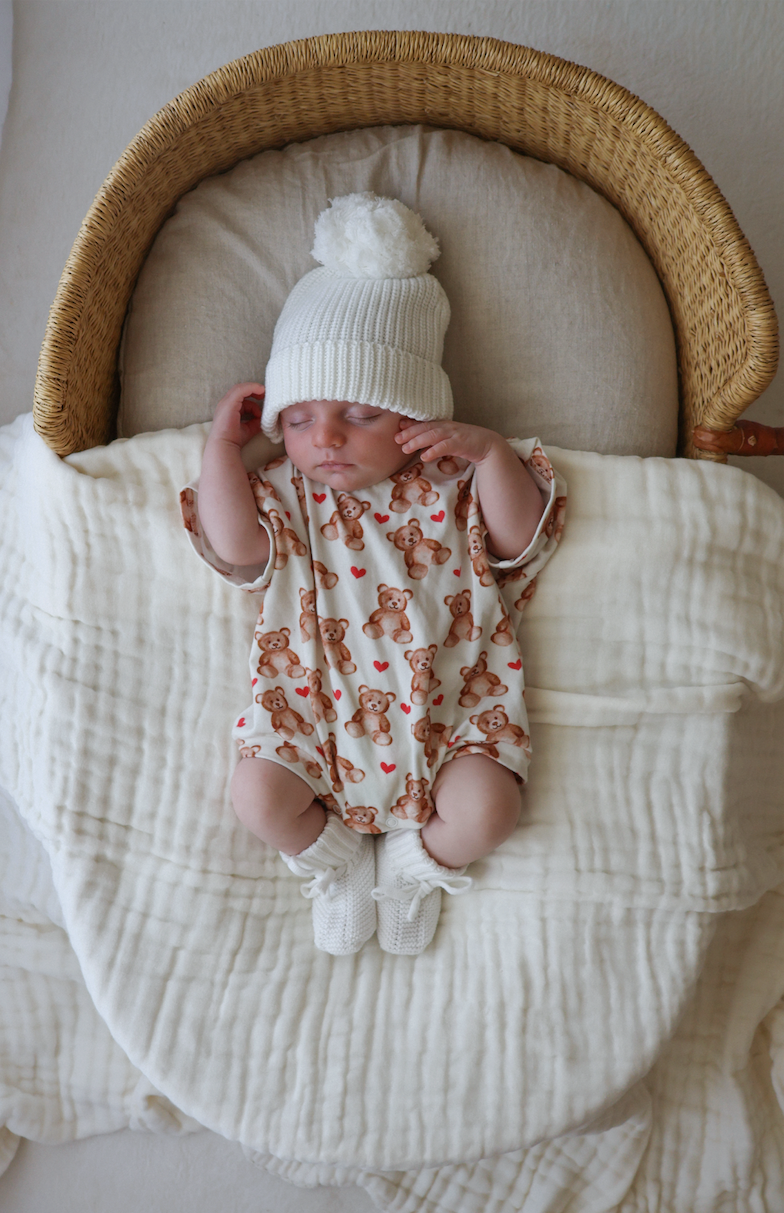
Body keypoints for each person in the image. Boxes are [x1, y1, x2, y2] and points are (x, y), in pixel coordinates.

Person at [180, 193, 566, 956]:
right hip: (310, 716)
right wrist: (223, 450)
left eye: (358, 414)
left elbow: (521, 539)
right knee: (258, 796)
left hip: (454, 716)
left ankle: (417, 863)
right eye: (297, 419)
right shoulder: (285, 494)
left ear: (415, 414)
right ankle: (334, 857)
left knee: (489, 810)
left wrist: (492, 455)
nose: (324, 437)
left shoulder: (454, 480)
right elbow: (234, 546)